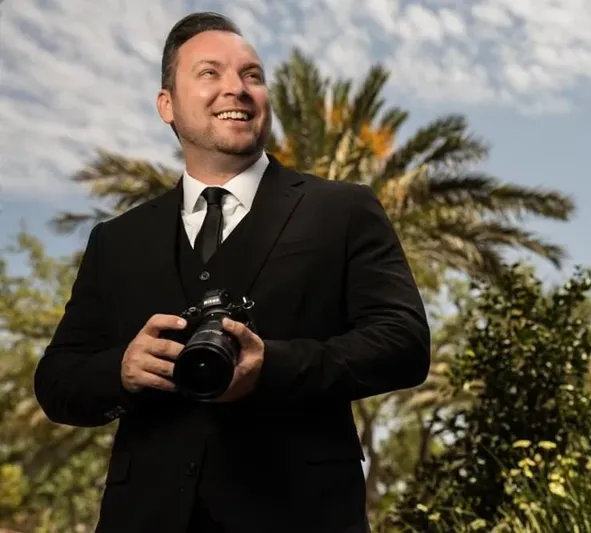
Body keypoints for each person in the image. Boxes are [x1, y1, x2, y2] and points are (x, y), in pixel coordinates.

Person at [32, 11, 430, 533]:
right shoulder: (117, 240)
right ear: (167, 105)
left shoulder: (343, 210)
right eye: (209, 73)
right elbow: (57, 380)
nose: (236, 89)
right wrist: (122, 370)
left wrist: (275, 367)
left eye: (252, 76)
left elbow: (404, 343)